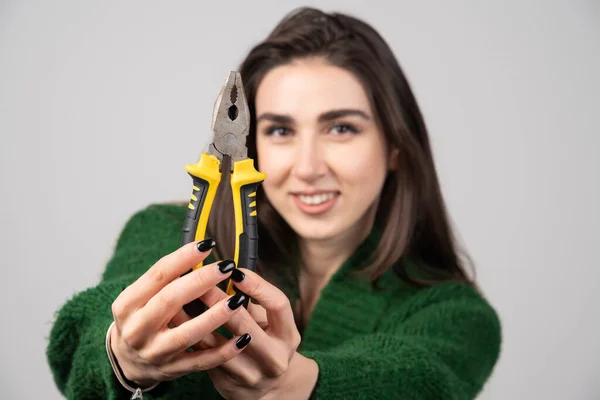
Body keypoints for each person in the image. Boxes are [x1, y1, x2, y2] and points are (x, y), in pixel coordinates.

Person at [46, 6, 502, 400]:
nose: (307, 167)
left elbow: (419, 381)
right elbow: (83, 329)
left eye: (341, 128)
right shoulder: (161, 231)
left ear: (396, 147)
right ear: (254, 144)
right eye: (281, 131)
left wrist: (302, 384)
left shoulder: (454, 315)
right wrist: (120, 352)